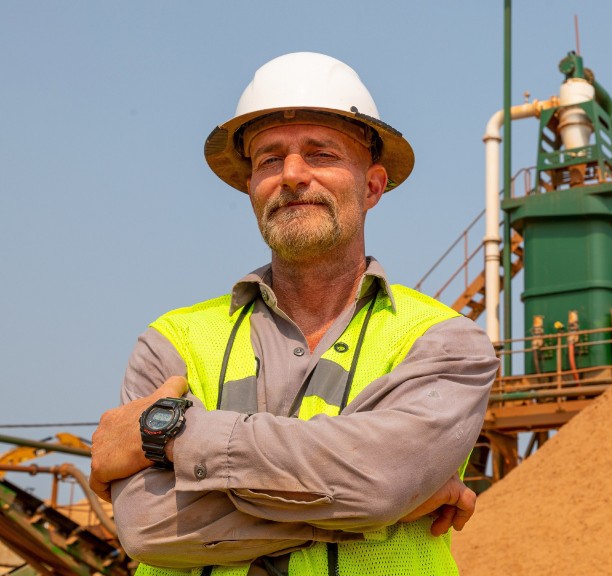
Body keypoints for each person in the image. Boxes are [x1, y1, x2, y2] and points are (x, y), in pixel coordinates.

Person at [89, 52, 499, 576]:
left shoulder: (445, 342)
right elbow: (148, 526)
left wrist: (171, 435)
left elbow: (380, 481)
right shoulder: (172, 342)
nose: (292, 175)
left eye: (321, 153)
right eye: (268, 160)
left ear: (372, 186)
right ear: (250, 189)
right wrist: (375, 511)